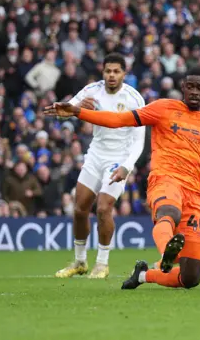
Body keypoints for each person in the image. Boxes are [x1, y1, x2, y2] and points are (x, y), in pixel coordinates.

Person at [45, 66, 200, 290]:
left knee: (191, 277)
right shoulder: (163, 108)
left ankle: (144, 275)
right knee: (169, 213)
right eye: (190, 86)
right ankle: (168, 250)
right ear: (183, 86)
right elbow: (118, 120)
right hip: (165, 179)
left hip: (194, 194)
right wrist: (78, 112)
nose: (194, 92)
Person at [54, 53, 146, 279]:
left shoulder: (135, 99)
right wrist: (67, 112)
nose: (111, 75)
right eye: (108, 71)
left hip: (119, 157)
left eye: (116, 71)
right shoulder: (91, 91)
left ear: (124, 73)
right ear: (102, 72)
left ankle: (102, 264)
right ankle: (80, 262)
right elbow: (64, 113)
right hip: (95, 155)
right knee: (79, 209)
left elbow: (139, 140)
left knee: (103, 208)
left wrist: (127, 166)